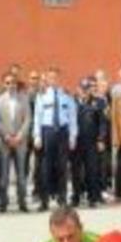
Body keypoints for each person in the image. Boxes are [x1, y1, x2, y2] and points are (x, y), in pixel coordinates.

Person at [33, 67, 78, 211]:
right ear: (47, 79)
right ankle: (44, 200)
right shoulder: (42, 96)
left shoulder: (66, 96)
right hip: (47, 132)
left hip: (63, 133)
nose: (53, 80)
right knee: (45, 168)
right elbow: (37, 117)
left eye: (55, 77)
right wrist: (37, 136)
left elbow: (72, 117)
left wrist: (72, 136)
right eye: (50, 77)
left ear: (59, 78)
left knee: (62, 167)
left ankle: (62, 199)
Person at [0, 72, 31, 213]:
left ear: (16, 84)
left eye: (13, 83)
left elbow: (28, 119)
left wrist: (20, 136)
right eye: (8, 82)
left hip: (20, 143)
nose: (10, 85)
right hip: (5, 142)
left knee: (21, 175)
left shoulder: (24, 99)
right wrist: (7, 137)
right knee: (3, 176)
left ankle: (22, 202)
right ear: (4, 84)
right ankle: (3, 203)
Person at [73, 77, 108, 207]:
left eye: (87, 89)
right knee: (76, 171)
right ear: (79, 89)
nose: (85, 91)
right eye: (83, 89)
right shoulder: (73, 102)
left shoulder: (98, 103)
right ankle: (76, 197)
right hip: (76, 142)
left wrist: (101, 139)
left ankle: (92, 197)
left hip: (92, 142)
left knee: (92, 170)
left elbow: (102, 123)